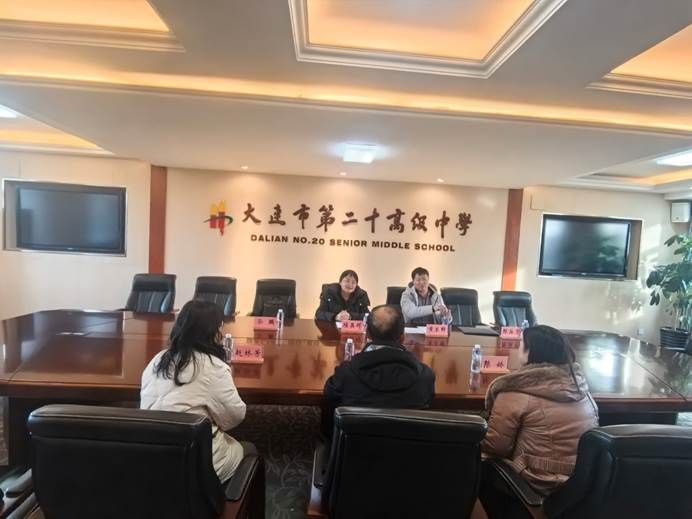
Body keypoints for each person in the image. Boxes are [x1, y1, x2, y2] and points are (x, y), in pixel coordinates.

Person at [479, 325, 599, 518]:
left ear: (530, 352)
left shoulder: (516, 391)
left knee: (472, 459)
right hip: (578, 482)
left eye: (521, 344)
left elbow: (496, 447)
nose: (518, 348)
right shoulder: (581, 387)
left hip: (538, 482)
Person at [140, 299, 249, 483]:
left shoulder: (157, 360)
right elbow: (234, 416)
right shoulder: (213, 367)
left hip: (151, 456)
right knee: (240, 449)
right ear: (213, 332)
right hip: (192, 462)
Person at [321, 304, 435, 437]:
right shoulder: (424, 376)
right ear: (403, 336)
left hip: (355, 448)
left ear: (367, 333)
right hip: (408, 448)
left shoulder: (346, 373)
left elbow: (328, 405)